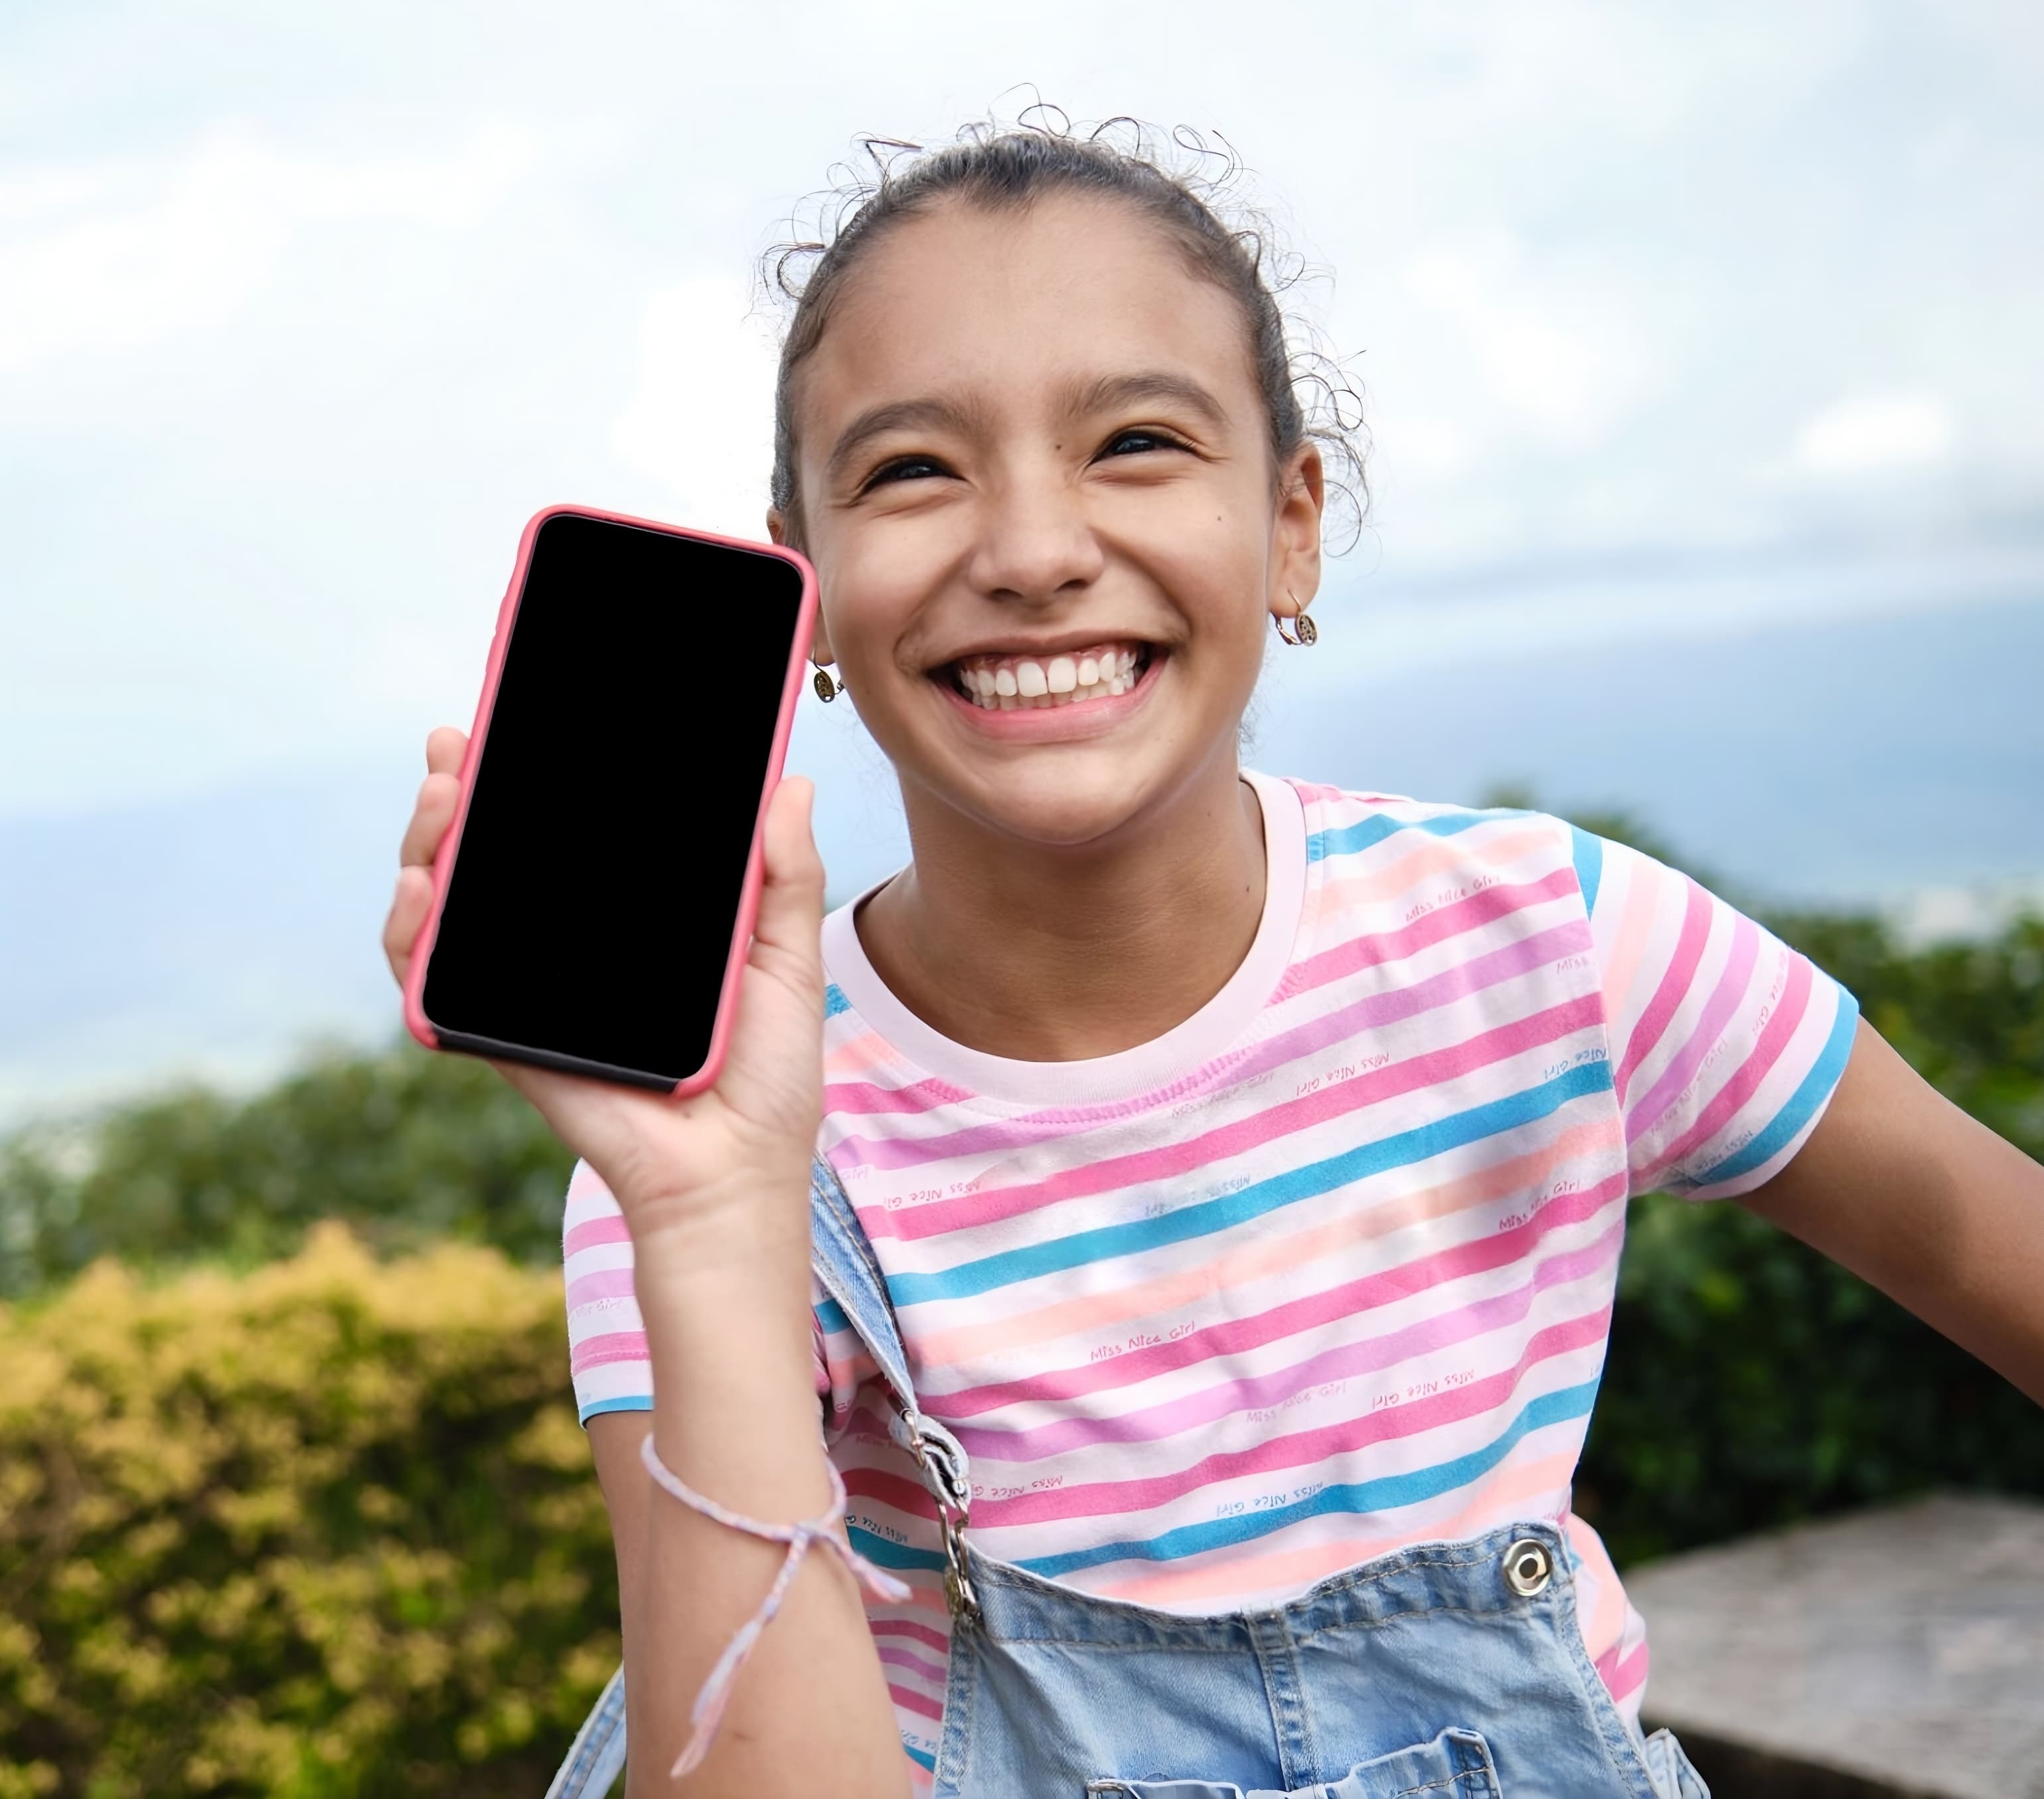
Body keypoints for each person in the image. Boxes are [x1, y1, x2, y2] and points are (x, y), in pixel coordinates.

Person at [382, 119, 2044, 1799]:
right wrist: (711, 1218)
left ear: (1292, 519)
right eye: (909, 470)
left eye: (1138, 441)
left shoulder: (1553, 942)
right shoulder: (714, 1138)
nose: (1030, 549)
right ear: (802, 584)